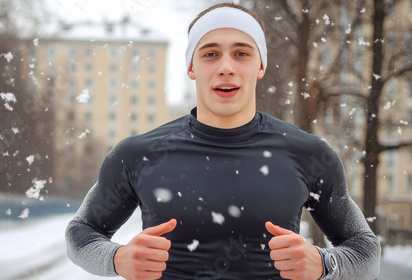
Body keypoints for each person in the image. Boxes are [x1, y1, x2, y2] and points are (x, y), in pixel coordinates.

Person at [65, 3, 381, 279]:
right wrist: (117, 259)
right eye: (210, 53)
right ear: (191, 66)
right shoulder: (138, 154)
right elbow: (80, 233)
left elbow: (365, 250)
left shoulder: (309, 154)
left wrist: (324, 264)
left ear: (260, 65)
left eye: (241, 53)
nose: (226, 67)